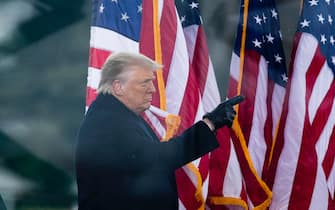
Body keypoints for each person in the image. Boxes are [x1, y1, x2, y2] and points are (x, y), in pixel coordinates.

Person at [75, 52, 243, 210]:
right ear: (118, 87)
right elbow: (157, 159)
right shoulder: (108, 120)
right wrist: (209, 124)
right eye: (144, 82)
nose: (152, 89)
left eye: (152, 82)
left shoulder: (119, 115)